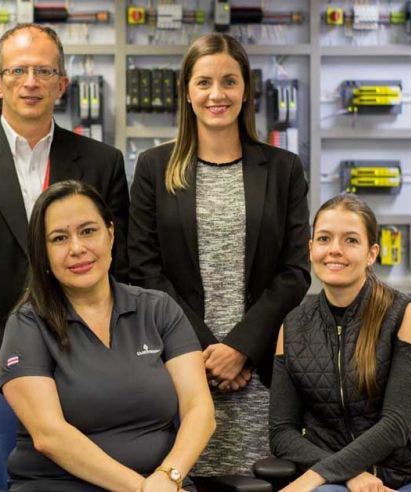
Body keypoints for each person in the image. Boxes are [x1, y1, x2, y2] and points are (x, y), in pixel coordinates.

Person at [0, 23, 129, 488]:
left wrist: (92, 355)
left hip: (89, 365)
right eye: (19, 70)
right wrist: (4, 355)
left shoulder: (102, 162)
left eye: (44, 71)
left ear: (63, 84)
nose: (31, 82)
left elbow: (120, 261)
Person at [128, 33, 310, 481]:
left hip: (263, 370)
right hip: (180, 369)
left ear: (245, 90)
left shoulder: (283, 169)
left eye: (229, 82)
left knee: (261, 479)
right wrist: (205, 353)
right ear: (187, 92)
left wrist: (240, 348)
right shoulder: (154, 168)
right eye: (204, 82)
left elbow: (295, 272)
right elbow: (146, 270)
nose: (216, 94)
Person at [0, 180, 215, 491]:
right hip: (59, 485)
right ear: (43, 253)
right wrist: (141, 488)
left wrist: (170, 475)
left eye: (88, 231)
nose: (77, 248)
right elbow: (49, 436)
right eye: (59, 238)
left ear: (110, 234)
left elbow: (200, 409)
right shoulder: (27, 324)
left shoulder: (159, 310)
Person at [270, 194, 411, 491]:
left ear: (372, 253)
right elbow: (282, 433)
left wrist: (313, 476)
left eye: (350, 240)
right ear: (310, 250)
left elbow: (395, 426)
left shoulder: (405, 315)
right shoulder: (293, 326)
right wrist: (345, 473)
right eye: (324, 239)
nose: (334, 250)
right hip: (334, 478)